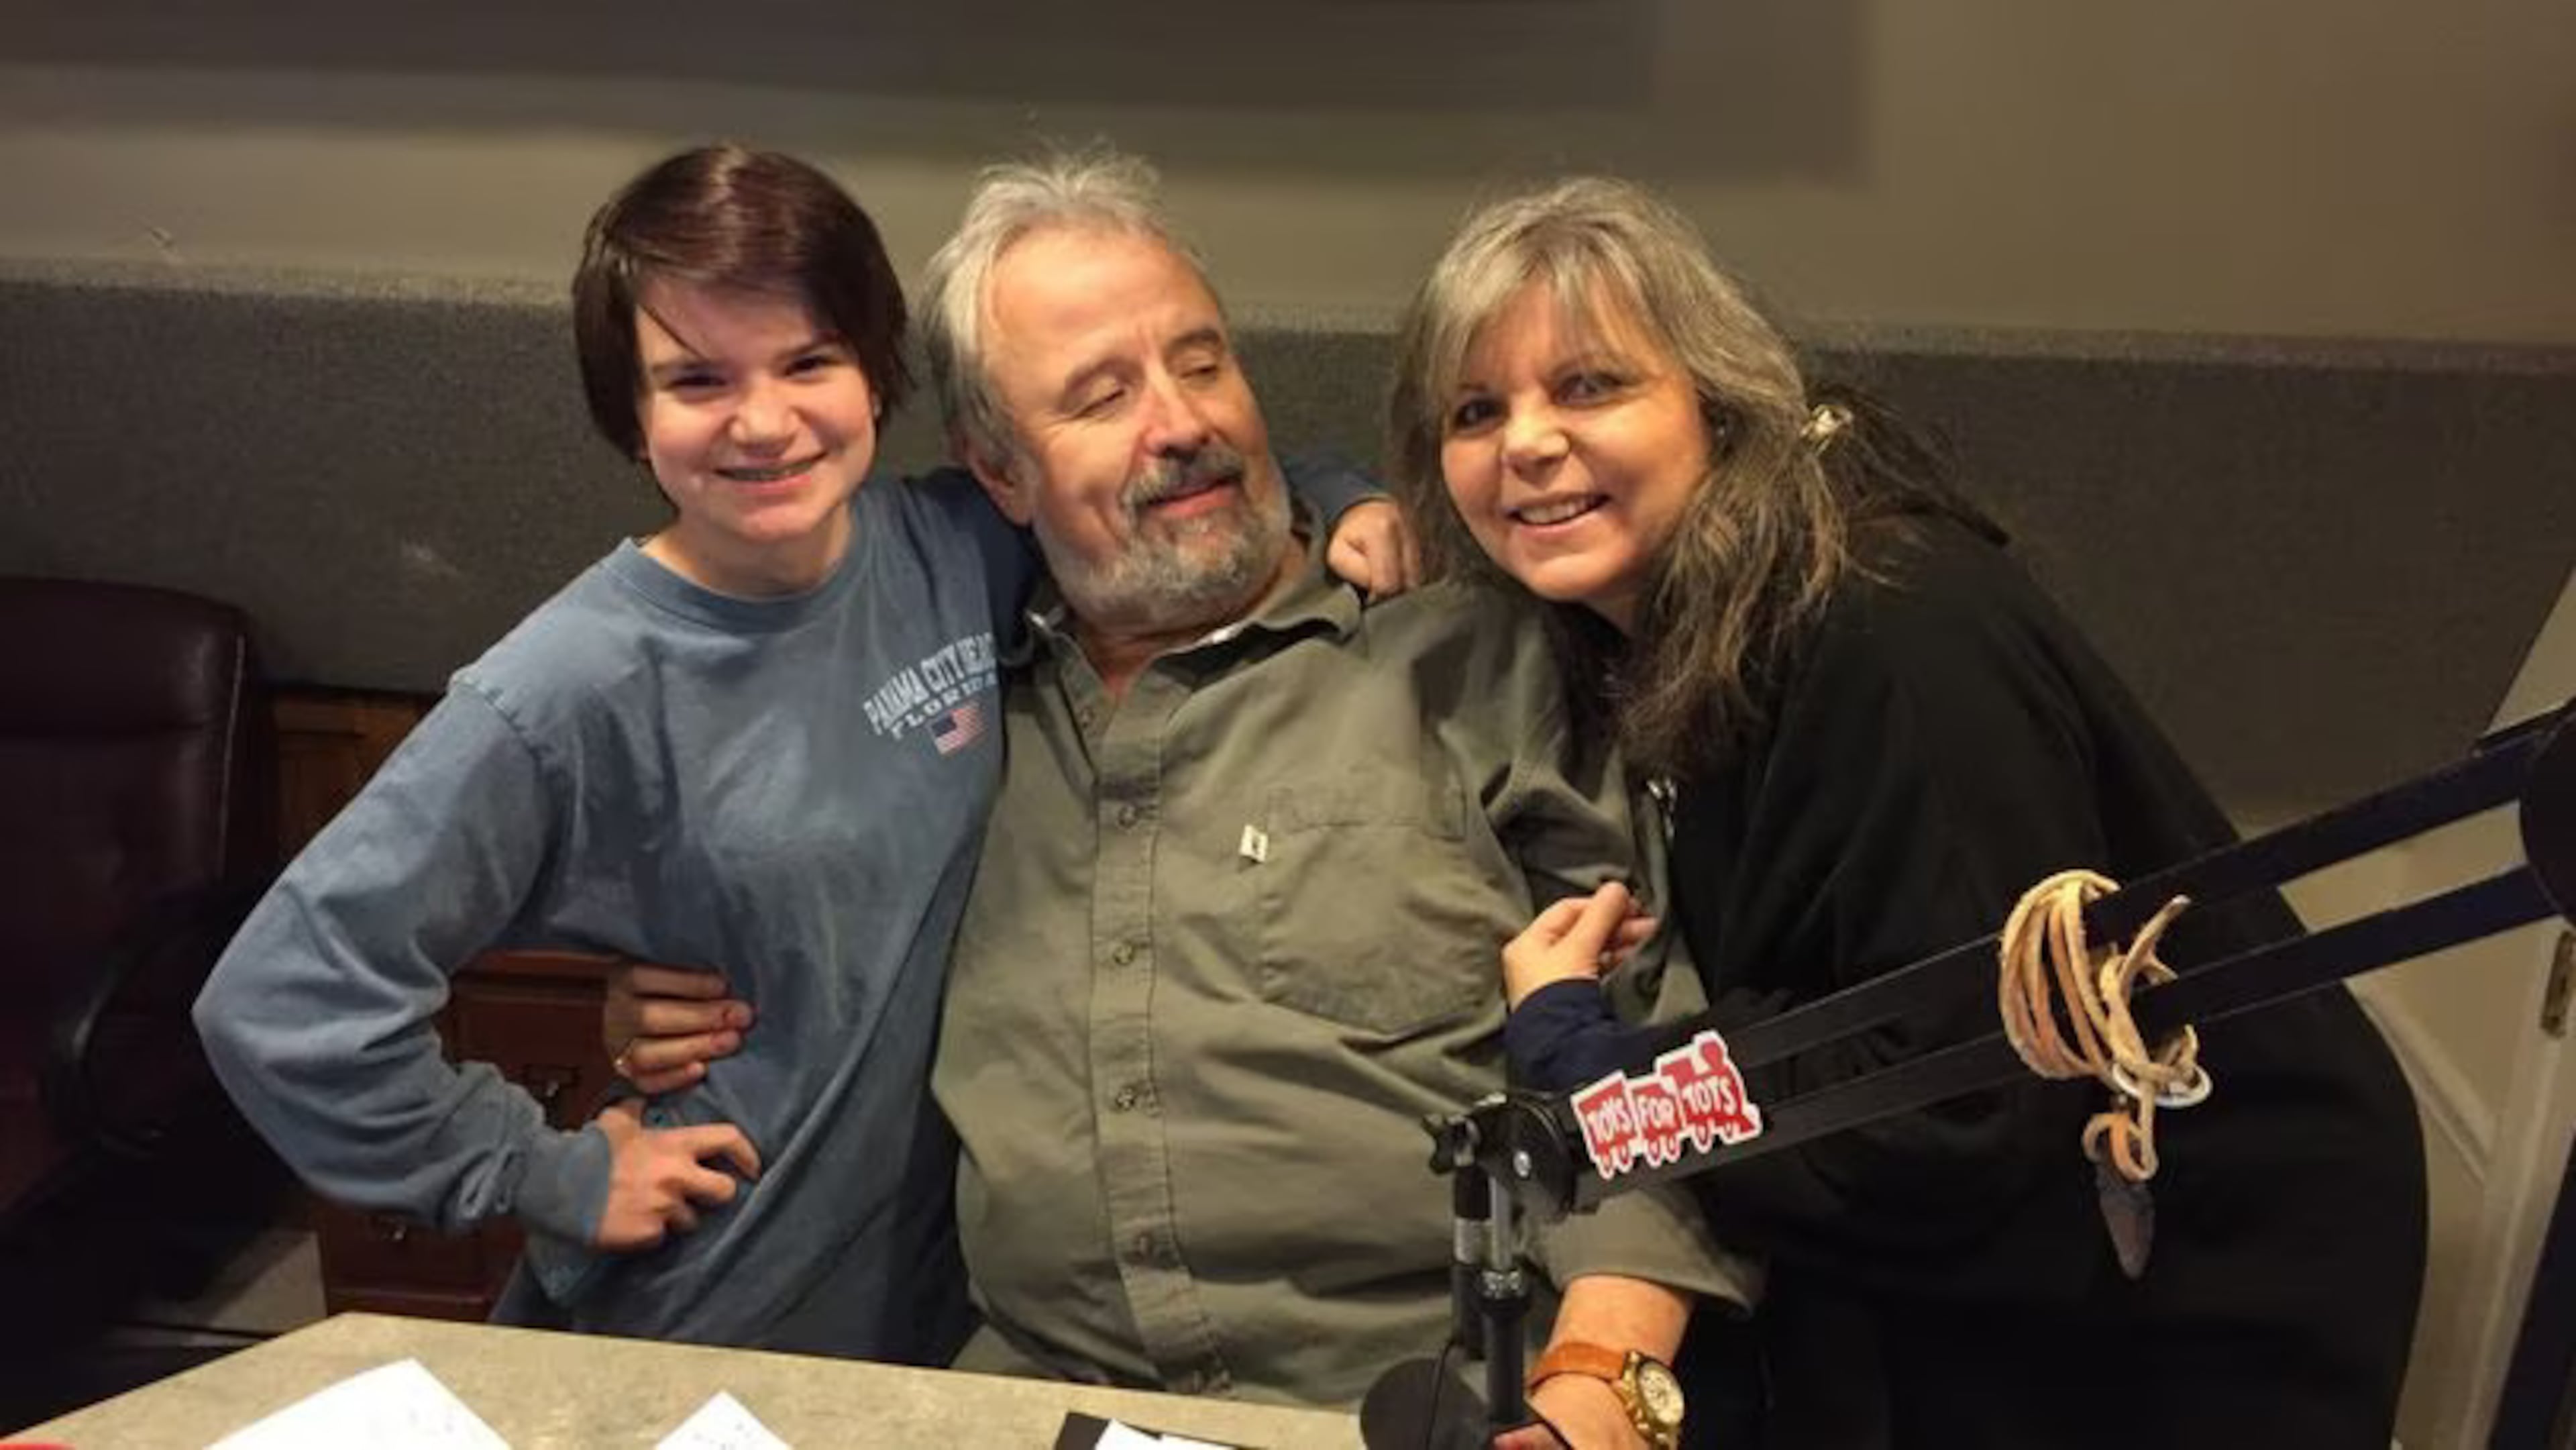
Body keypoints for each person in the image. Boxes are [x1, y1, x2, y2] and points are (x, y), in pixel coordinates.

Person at [613, 150, 1754, 1448]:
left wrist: (1600, 1389)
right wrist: (680, 993)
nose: (1181, 423)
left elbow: (1660, 1066)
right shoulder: (944, 721)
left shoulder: (1473, 664)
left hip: (1418, 1407)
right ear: (999, 473)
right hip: (1026, 1403)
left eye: (1202, 363)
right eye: (1102, 396)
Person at [191, 144, 1400, 1358]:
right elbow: (285, 1000)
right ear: (634, 412)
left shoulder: (952, 544)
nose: (764, 421)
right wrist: (540, 1172)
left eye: (808, 362)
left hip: (944, 1304)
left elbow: (1182, 475)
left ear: (872, 375)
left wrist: (1350, 499)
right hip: (725, 1301)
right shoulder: (569, 684)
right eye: (697, 378)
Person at [1384, 176, 2430, 1447]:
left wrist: (1592, 1066)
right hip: (2028, 1267)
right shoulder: (1674, 613)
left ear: (1714, 398)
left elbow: (1953, 1106)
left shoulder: (1885, 626)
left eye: (1592, 386)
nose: (1527, 444)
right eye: (1476, 410)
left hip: (2202, 1288)